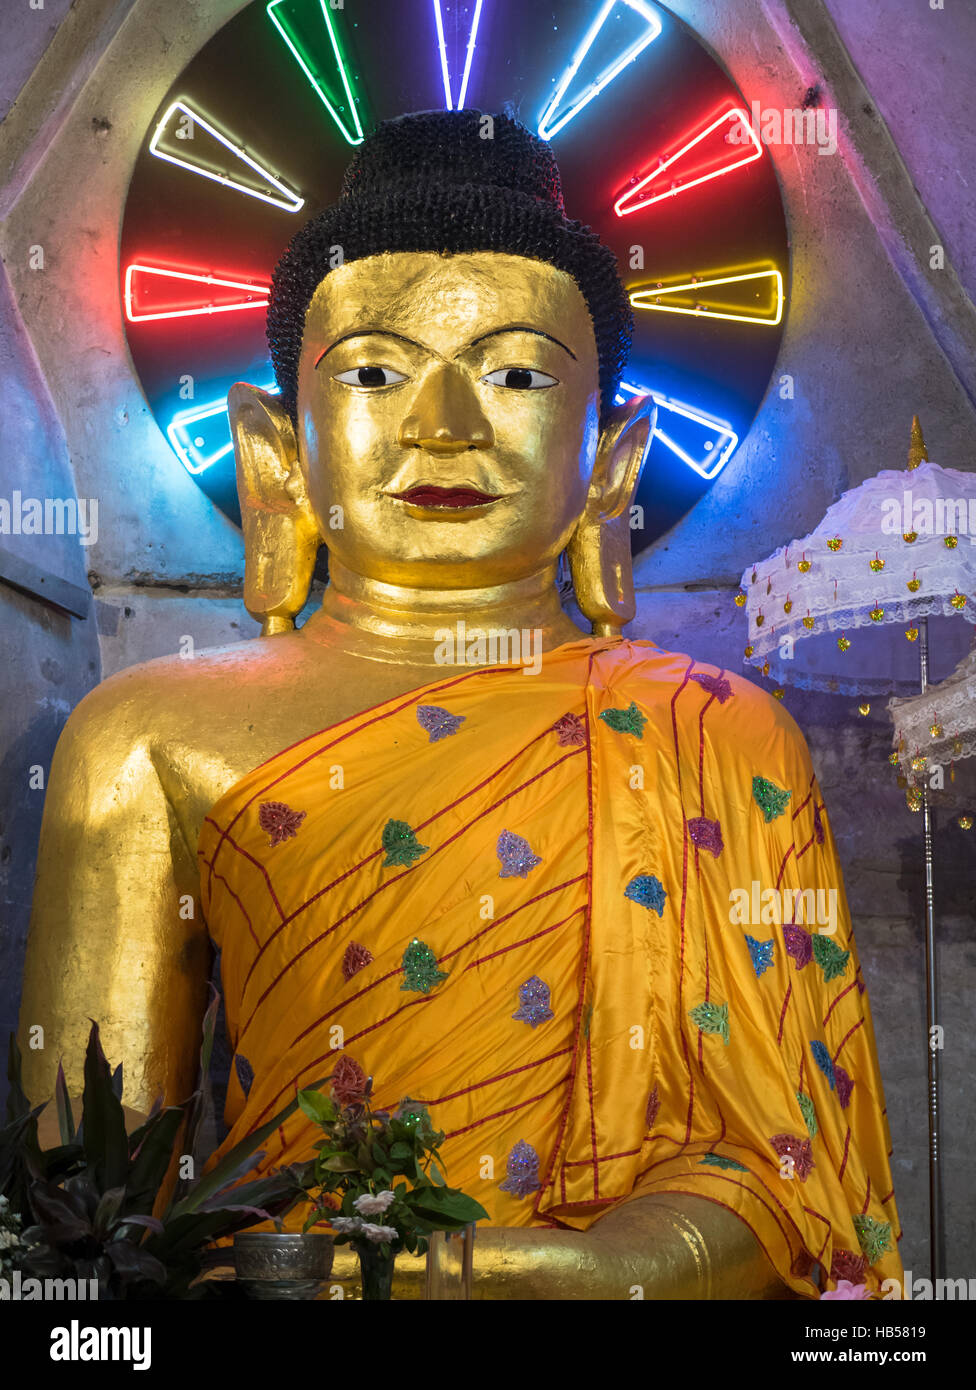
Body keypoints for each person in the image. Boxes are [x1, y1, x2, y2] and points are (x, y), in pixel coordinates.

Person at [19, 110, 902, 1299]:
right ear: (277, 449)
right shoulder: (149, 737)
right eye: (376, 370)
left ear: (611, 462)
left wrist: (622, 1269)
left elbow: (804, 1171)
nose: (444, 424)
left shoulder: (721, 732)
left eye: (518, 372)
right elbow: (88, 1222)